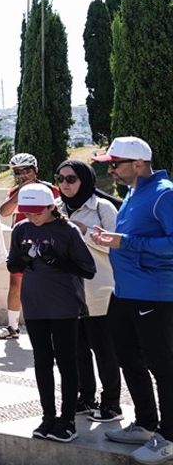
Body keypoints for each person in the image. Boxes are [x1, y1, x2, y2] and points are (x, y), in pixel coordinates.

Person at [89, 137, 173, 463]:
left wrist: (125, 241)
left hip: (155, 294)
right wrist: (111, 240)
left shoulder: (164, 192)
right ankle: (146, 424)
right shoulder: (135, 192)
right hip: (125, 293)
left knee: (162, 365)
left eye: (116, 163)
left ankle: (168, 437)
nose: (111, 169)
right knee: (128, 358)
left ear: (138, 164)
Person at [5, 183, 96, 443]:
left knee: (67, 361)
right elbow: (12, 264)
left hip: (65, 305)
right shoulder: (21, 228)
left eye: (37, 212)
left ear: (50, 207)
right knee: (42, 361)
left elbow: (88, 270)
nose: (32, 217)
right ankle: (48, 417)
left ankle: (67, 420)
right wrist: (24, 258)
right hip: (34, 305)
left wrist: (58, 260)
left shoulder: (67, 231)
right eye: (28, 212)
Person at [55, 159, 124, 424]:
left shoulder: (102, 207)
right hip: (67, 292)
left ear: (85, 179)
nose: (65, 184)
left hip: (99, 290)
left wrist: (83, 233)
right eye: (60, 179)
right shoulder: (58, 209)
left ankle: (112, 404)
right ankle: (86, 398)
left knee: (104, 350)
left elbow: (117, 246)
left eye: (71, 179)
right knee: (76, 350)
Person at [0, 153, 58, 340]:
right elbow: (4, 212)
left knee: (49, 284)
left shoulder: (51, 190)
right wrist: (20, 192)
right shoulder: (15, 191)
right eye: (18, 172)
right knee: (15, 284)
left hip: (47, 243)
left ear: (35, 170)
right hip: (23, 243)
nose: (23, 174)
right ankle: (12, 326)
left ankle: (52, 325)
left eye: (27, 170)